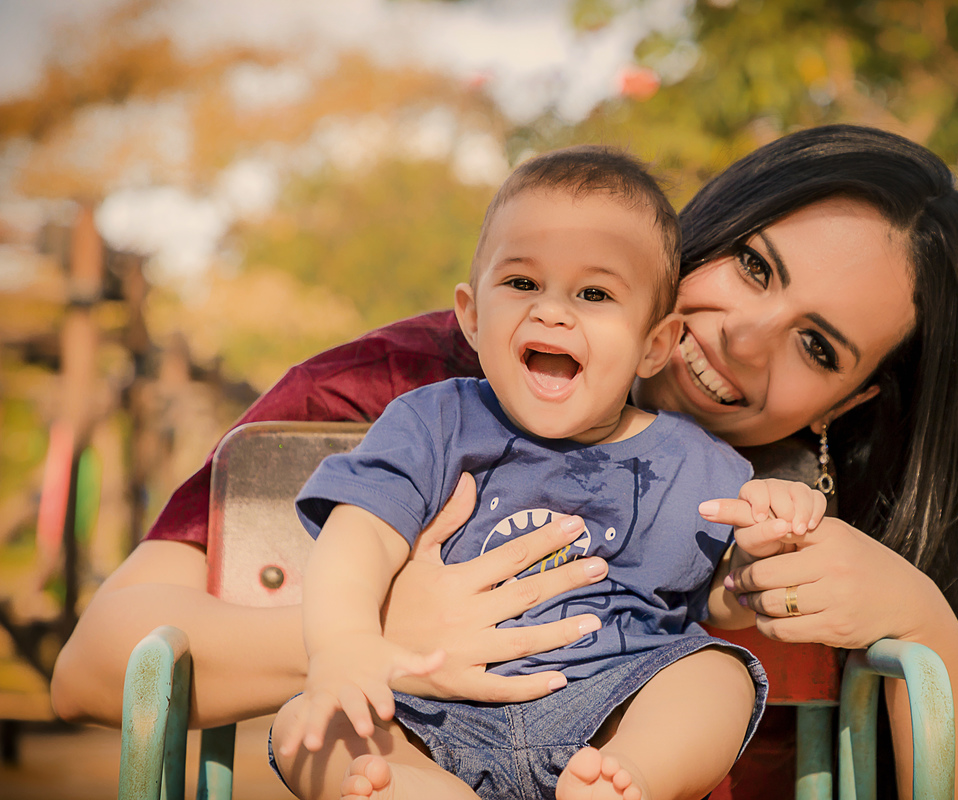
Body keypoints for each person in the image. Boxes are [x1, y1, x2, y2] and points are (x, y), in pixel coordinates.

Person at [50, 124, 958, 800]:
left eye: (817, 346)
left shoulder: (822, 501)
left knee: (713, 677)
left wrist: (918, 617)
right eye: (752, 264)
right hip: (420, 737)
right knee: (327, 740)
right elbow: (99, 667)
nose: (746, 338)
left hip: (619, 746)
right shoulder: (420, 389)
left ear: (854, 399)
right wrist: (377, 636)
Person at [268, 146, 819, 800]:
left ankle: (629, 782)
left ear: (654, 344)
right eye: (523, 284)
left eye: (595, 293)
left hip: (609, 707)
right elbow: (359, 537)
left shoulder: (695, 463)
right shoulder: (435, 423)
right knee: (304, 726)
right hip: (429, 708)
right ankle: (413, 788)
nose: (554, 311)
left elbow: (720, 602)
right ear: (472, 315)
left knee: (717, 675)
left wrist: (763, 546)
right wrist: (346, 644)